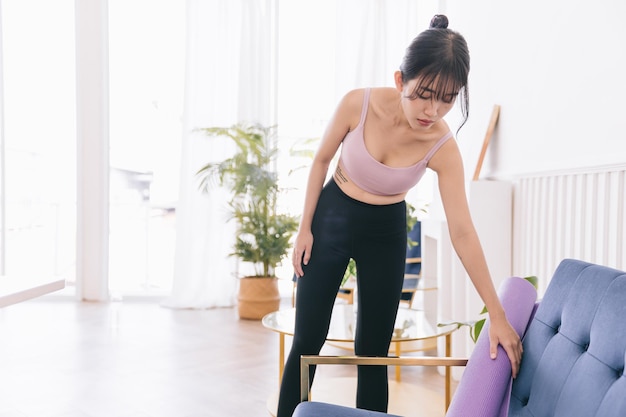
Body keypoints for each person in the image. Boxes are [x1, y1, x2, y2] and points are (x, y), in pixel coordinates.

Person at [276, 14, 523, 417]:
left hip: (385, 233)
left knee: (373, 352)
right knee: (308, 339)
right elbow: (321, 160)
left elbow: (462, 231)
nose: (433, 109)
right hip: (331, 217)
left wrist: (497, 314)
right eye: (424, 94)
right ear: (399, 80)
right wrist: (304, 227)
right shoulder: (359, 103)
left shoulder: (443, 146)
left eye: (447, 98)